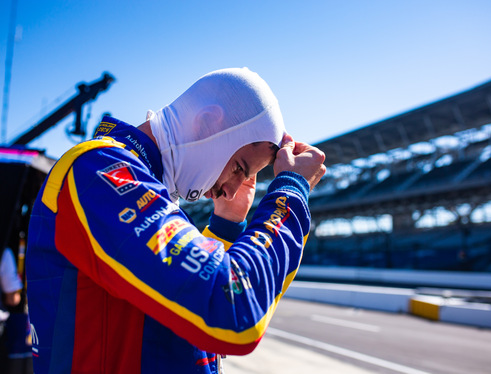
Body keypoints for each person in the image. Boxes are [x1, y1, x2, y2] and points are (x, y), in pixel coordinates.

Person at [25, 67, 326, 374]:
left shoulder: (147, 184)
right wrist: (290, 192)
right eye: (239, 168)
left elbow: (183, 319)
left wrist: (226, 224)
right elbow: (232, 310)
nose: (232, 188)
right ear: (208, 122)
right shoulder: (98, 169)